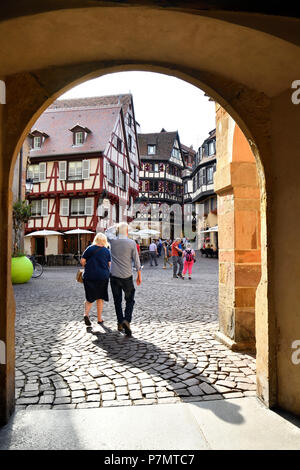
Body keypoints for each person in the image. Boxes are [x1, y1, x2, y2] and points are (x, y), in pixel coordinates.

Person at [106, 222, 142, 337]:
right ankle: (127, 320)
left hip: (114, 275)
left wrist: (115, 227)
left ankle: (120, 323)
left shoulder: (113, 241)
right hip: (127, 276)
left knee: (117, 301)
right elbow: (136, 260)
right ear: (127, 231)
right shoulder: (131, 243)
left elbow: (107, 231)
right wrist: (139, 275)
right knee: (130, 300)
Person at [80, 232, 111, 327]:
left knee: (89, 297)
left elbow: (82, 261)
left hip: (89, 276)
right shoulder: (106, 251)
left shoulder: (89, 248)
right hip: (102, 277)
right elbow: (109, 264)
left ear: (96, 239)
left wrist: (89, 266)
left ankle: (86, 314)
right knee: (100, 298)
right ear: (104, 241)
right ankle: (99, 319)